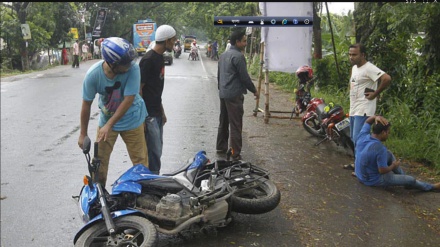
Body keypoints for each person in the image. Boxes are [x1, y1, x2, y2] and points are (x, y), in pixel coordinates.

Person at [78, 37, 148, 187]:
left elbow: (128, 100)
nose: (129, 66)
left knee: (140, 161)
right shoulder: (93, 75)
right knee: (99, 163)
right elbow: (86, 105)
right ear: (112, 64)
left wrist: (109, 125)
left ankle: (145, 193)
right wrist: (83, 134)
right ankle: (98, 194)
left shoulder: (133, 69)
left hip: (133, 119)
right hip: (107, 119)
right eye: (125, 64)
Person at [354, 115, 440, 192]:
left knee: (389, 154)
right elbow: (382, 170)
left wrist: (375, 117)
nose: (388, 134)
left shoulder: (363, 136)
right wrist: (393, 166)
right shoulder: (380, 148)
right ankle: (431, 187)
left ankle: (404, 180)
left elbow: (367, 121)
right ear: (383, 132)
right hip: (371, 180)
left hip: (360, 174)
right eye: (388, 132)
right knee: (411, 180)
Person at [344, 43, 391, 171]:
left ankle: (362, 168)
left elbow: (386, 78)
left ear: (363, 55)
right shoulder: (355, 68)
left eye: (354, 54)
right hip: (354, 108)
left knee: (360, 139)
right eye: (350, 54)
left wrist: (375, 94)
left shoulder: (369, 68)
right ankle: (357, 163)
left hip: (364, 110)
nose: (351, 57)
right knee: (355, 138)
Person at [139, 24, 177, 175]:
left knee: (157, 150)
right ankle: (151, 182)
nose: (174, 44)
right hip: (148, 115)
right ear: (167, 41)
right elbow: (139, 90)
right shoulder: (148, 60)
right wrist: (142, 118)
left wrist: (162, 111)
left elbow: (155, 89)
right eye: (173, 41)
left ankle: (153, 179)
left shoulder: (160, 58)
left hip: (156, 112)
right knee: (153, 152)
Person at [216, 29, 259, 161]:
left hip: (224, 93)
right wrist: (254, 90)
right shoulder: (238, 57)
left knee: (223, 121)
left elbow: (219, 75)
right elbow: (244, 78)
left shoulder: (223, 55)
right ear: (237, 42)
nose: (246, 43)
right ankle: (235, 152)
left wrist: (221, 89)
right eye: (244, 41)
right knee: (235, 124)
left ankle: (221, 146)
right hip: (234, 95)